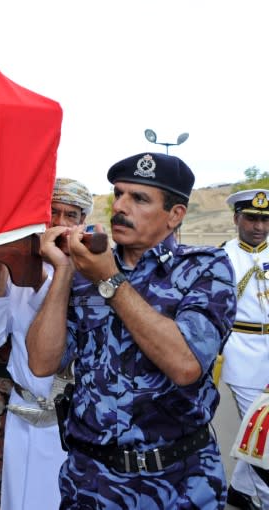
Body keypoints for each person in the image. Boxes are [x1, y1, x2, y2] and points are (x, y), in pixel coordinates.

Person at [26, 152, 237, 509]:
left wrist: (109, 279)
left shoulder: (203, 268)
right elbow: (42, 363)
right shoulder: (83, 272)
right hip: (91, 481)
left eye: (139, 198)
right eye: (119, 193)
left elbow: (186, 365)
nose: (120, 206)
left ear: (175, 215)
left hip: (179, 482)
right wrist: (63, 271)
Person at [0, 177, 92, 509]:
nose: (60, 223)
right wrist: (0, 271)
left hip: (71, 423)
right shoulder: (20, 272)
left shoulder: (94, 274)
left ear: (84, 223)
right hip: (23, 414)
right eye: (52, 213)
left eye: (71, 215)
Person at [220, 188, 269, 510]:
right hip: (242, 351)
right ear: (237, 218)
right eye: (252, 218)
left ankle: (238, 489)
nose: (259, 227)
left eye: (265, 220)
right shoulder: (221, 256)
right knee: (263, 431)